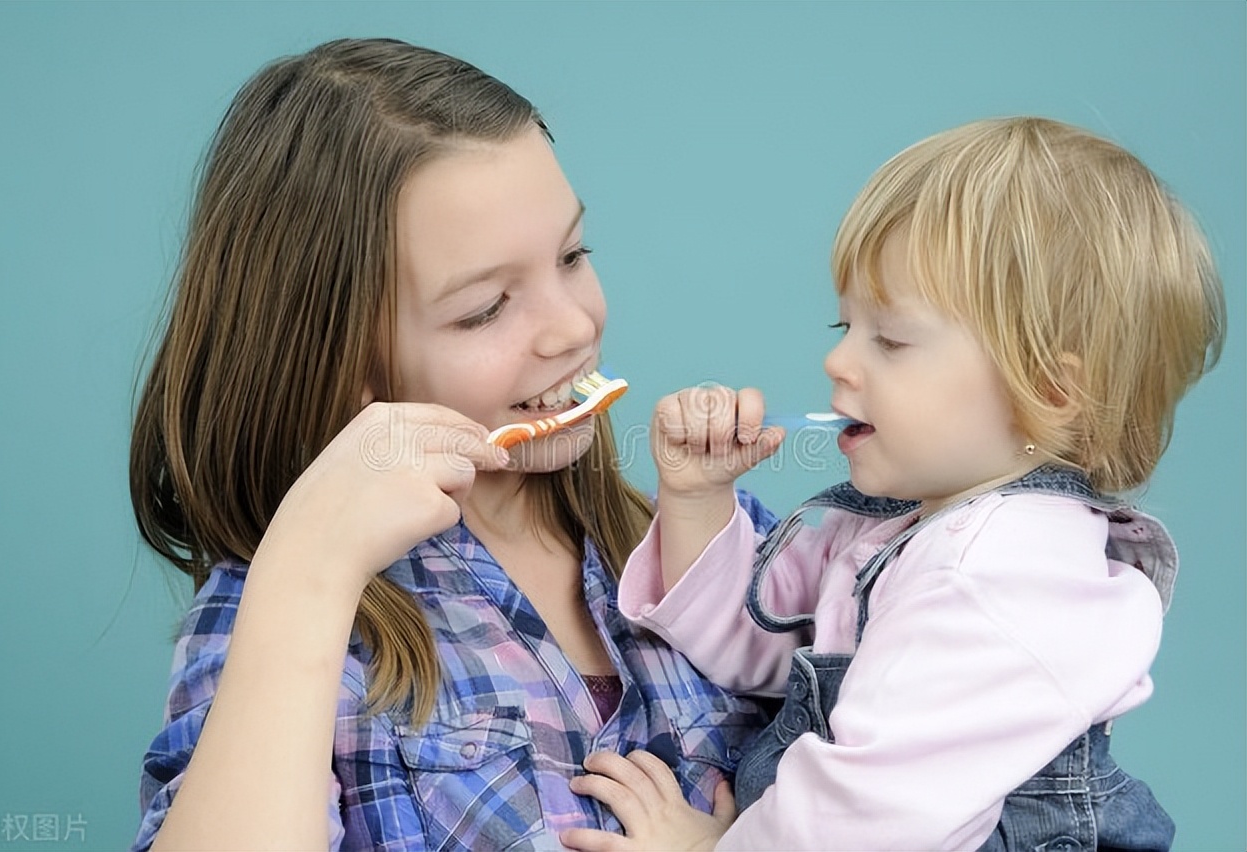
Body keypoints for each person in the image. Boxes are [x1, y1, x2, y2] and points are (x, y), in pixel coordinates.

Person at [128, 37, 768, 851]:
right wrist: (306, 577)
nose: (574, 327)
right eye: (485, 309)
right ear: (342, 361)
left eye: (573, 255)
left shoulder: (708, 545)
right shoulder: (285, 612)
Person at [559, 116, 1225, 851]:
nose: (839, 363)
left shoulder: (999, 571)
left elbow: (866, 820)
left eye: (892, 341)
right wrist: (696, 499)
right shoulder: (904, 526)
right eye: (842, 326)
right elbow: (763, 651)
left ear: (1047, 390)